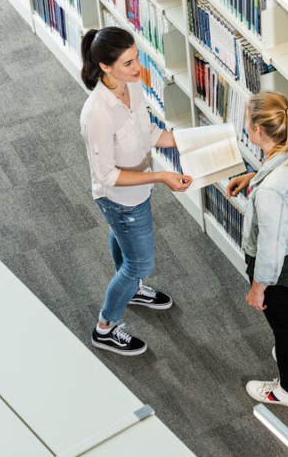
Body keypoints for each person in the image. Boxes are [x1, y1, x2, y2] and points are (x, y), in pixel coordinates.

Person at [79, 27, 192, 356]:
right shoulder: (96, 115)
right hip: (119, 199)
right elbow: (108, 175)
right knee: (139, 264)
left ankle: (132, 289)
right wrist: (160, 177)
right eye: (128, 63)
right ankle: (106, 326)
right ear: (105, 67)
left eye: (137, 58)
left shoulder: (133, 84)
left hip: (136, 192)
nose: (137, 67)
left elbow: (148, 132)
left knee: (125, 245)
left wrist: (183, 141)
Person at [227, 91, 288, 407]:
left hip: (284, 265)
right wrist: (254, 177)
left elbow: (270, 251)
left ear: (258, 131)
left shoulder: (272, 192)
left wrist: (258, 290)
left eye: (247, 121)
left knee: (283, 327)